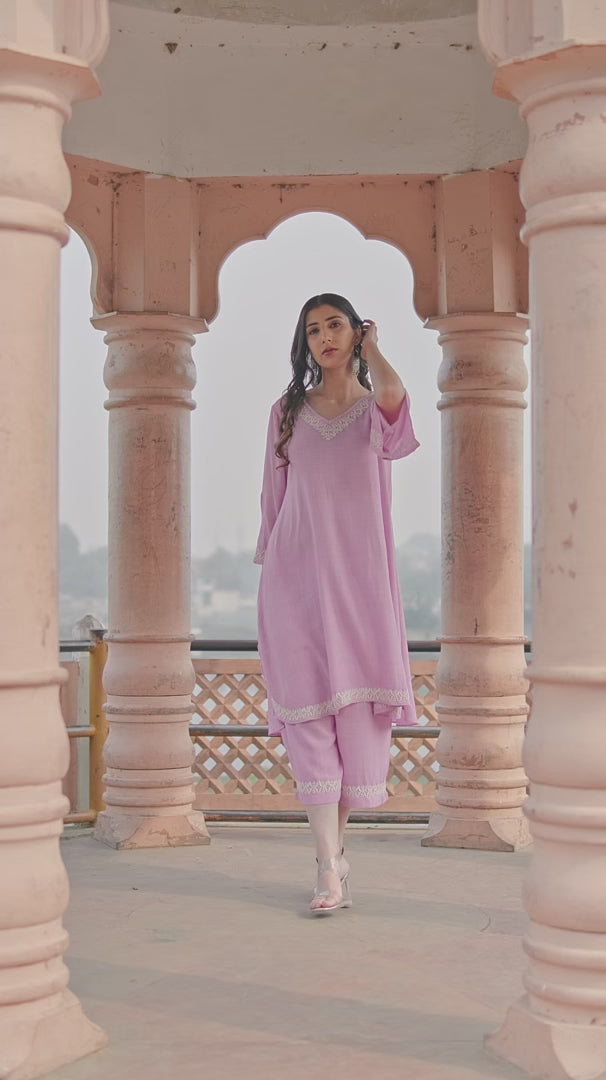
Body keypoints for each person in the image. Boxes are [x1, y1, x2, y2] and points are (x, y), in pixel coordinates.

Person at [253, 293, 420, 914]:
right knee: (307, 720)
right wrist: (270, 565)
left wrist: (375, 349)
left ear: (355, 332)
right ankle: (327, 864)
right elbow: (273, 497)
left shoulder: (375, 409)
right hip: (294, 578)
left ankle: (335, 854)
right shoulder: (287, 412)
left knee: (355, 721)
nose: (324, 337)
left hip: (361, 583)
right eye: (313, 329)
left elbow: (398, 400)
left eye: (335, 326)